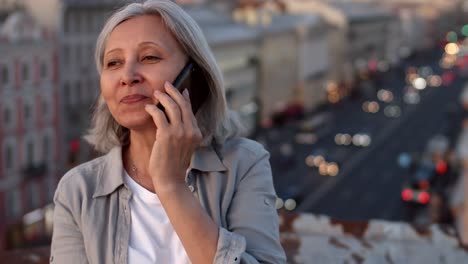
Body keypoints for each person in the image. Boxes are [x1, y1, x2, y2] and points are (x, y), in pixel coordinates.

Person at [50, 1, 287, 263]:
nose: (127, 76)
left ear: (193, 76)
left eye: (149, 57)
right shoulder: (78, 191)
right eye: (114, 62)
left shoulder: (243, 164)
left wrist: (171, 185)